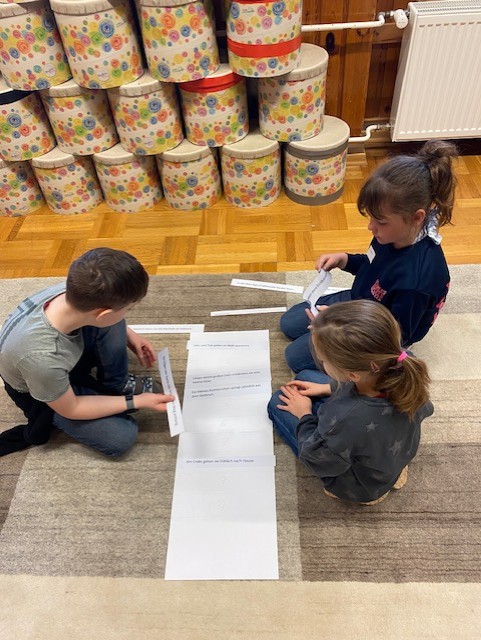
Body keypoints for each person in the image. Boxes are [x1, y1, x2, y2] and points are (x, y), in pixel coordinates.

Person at [280, 140, 458, 373]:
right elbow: (371, 264)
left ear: (417, 217)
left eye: (380, 221)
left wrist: (340, 330)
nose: (371, 227)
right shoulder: (391, 235)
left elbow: (394, 337)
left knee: (294, 358)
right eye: (371, 218)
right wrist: (344, 259)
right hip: (363, 302)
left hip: (378, 332)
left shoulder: (415, 284)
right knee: (289, 323)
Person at [0, 247, 174, 458]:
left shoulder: (72, 290)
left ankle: (115, 383)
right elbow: (72, 409)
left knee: (114, 321)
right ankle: (90, 392)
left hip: (56, 356)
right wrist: (137, 401)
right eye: (128, 309)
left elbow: (107, 317)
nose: (127, 314)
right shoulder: (41, 359)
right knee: (120, 437)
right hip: (39, 387)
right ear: (103, 314)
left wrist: (130, 335)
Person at [268, 300, 433, 505]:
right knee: (305, 377)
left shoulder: (345, 419)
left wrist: (304, 414)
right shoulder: (402, 364)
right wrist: (326, 388)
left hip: (361, 484)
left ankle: (368, 492)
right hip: (389, 453)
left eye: (324, 361)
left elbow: (318, 459)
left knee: (278, 401)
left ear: (352, 375)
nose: (322, 364)